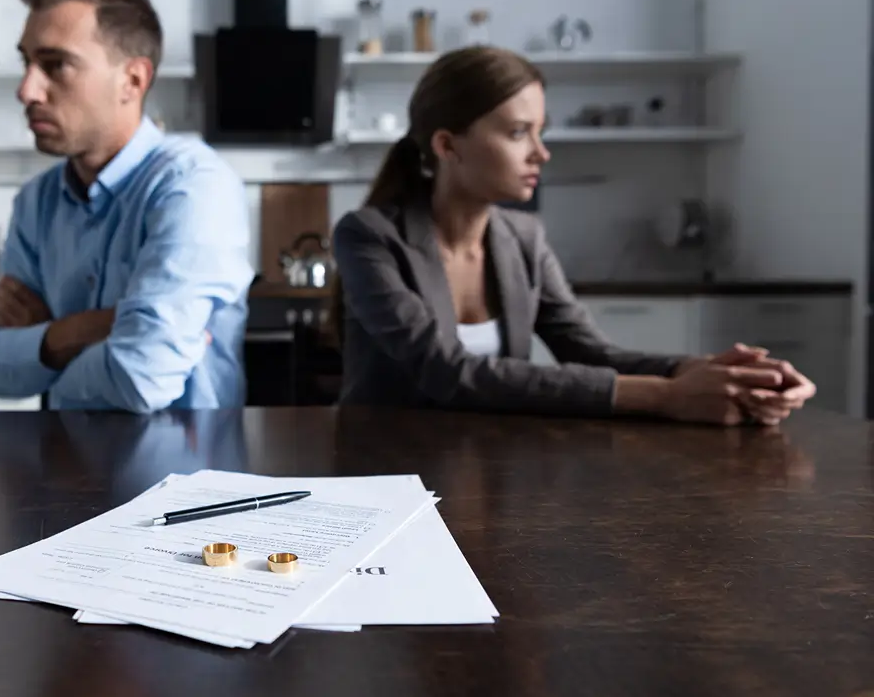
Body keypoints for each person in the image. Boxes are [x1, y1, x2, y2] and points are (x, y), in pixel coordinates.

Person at [328, 46, 816, 426]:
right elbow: (445, 371)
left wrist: (718, 373)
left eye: (541, 132)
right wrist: (665, 397)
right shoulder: (369, 236)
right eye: (519, 133)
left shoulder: (523, 239)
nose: (542, 153)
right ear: (447, 145)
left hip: (488, 467)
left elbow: (592, 354)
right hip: (385, 474)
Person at [0, 0, 253, 413]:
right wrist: (86, 327)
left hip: (185, 475)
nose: (27, 90)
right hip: (61, 472)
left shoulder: (193, 187)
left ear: (133, 80)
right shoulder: (35, 203)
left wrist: (45, 340)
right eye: (26, 62)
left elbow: (141, 377)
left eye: (55, 65)